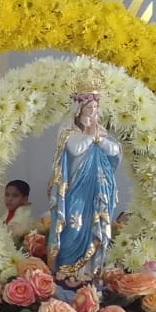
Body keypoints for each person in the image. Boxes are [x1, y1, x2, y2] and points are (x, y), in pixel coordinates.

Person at [47, 84, 121, 287]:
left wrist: (98, 137)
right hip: (75, 188)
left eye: (95, 107)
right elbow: (75, 148)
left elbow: (114, 150)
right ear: (79, 108)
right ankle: (66, 268)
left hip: (97, 189)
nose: (93, 111)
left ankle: (89, 271)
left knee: (93, 226)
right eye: (89, 107)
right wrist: (91, 136)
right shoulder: (68, 129)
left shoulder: (100, 129)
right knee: (73, 226)